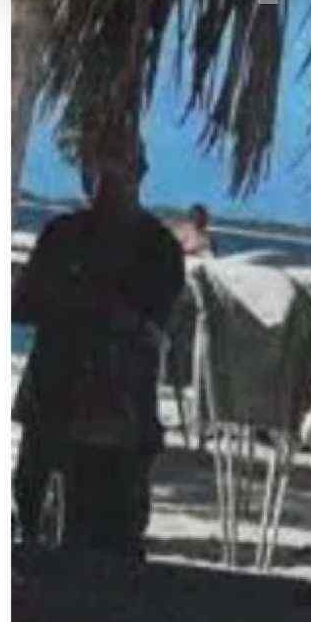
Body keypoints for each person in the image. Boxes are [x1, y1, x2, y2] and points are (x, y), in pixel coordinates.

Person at [13, 137, 185, 553]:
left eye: (116, 173)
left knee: (112, 540)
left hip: (119, 417)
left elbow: (150, 324)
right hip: (54, 404)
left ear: (139, 175)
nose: (106, 184)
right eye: (98, 172)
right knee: (33, 526)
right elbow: (23, 303)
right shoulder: (63, 235)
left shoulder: (157, 247)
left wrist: (85, 305)